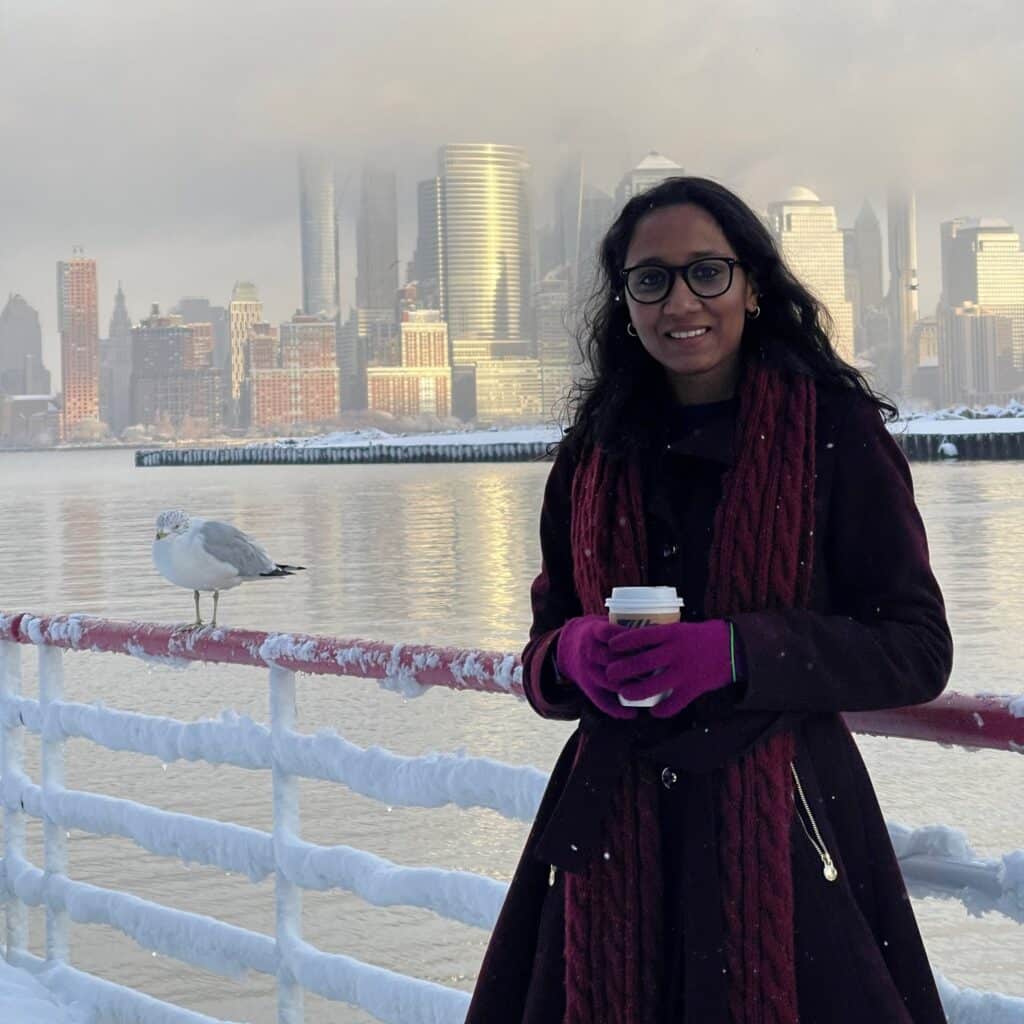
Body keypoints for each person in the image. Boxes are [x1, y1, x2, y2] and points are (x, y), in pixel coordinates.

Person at [466, 177, 953, 1024]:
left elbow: (917, 647)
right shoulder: (593, 453)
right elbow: (543, 657)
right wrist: (574, 655)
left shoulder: (835, 435)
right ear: (625, 303)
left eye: (706, 273)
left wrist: (735, 654)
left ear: (754, 285)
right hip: (609, 842)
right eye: (650, 279)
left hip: (787, 837)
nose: (680, 300)